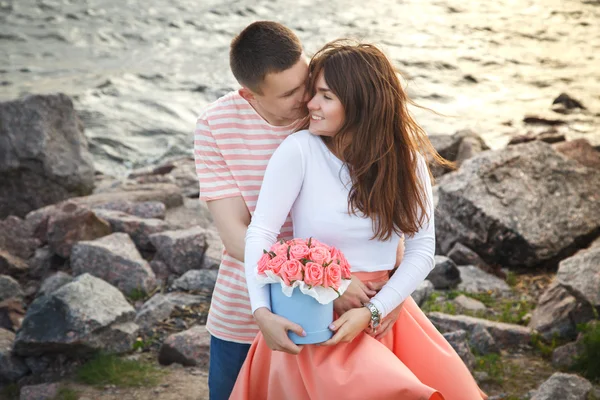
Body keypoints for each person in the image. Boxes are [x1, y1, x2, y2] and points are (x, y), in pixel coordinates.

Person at [230, 40, 488, 399]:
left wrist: (374, 311)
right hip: (316, 317)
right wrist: (262, 312)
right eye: (313, 93)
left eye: (325, 96)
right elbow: (260, 232)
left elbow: (421, 248)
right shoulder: (299, 151)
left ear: (360, 103)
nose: (310, 104)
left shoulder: (408, 163)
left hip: (384, 313)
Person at [194, 23, 405, 400]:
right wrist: (327, 280)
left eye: (307, 81)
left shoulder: (329, 112)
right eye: (291, 93)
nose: (308, 99)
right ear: (250, 95)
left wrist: (376, 282)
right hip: (247, 305)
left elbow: (377, 194)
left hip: (338, 308)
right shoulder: (215, 126)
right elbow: (236, 237)